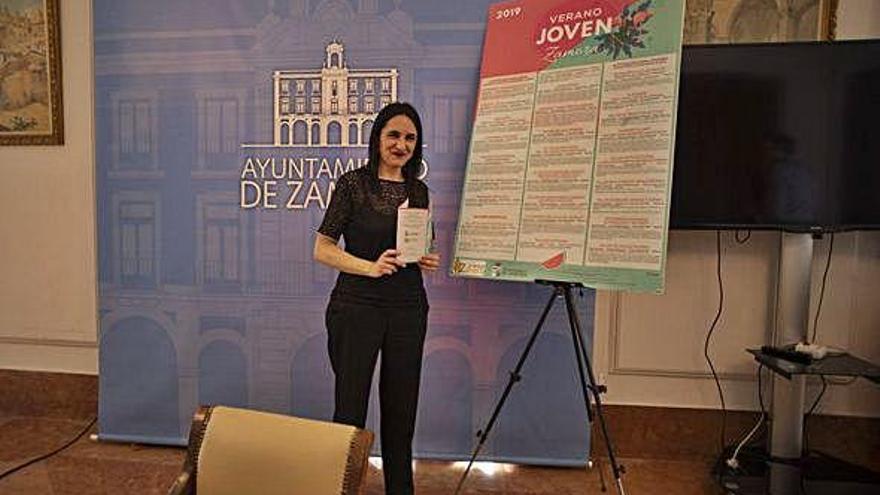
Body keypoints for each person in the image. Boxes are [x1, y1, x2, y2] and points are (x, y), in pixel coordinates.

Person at [313, 102, 440, 495]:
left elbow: (416, 245)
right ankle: (341, 488)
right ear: (378, 138)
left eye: (410, 138)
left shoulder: (420, 191)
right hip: (356, 307)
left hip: (408, 309)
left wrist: (425, 257)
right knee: (349, 410)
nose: (401, 144)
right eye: (394, 135)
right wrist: (370, 267)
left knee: (401, 414)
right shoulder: (353, 184)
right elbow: (323, 249)